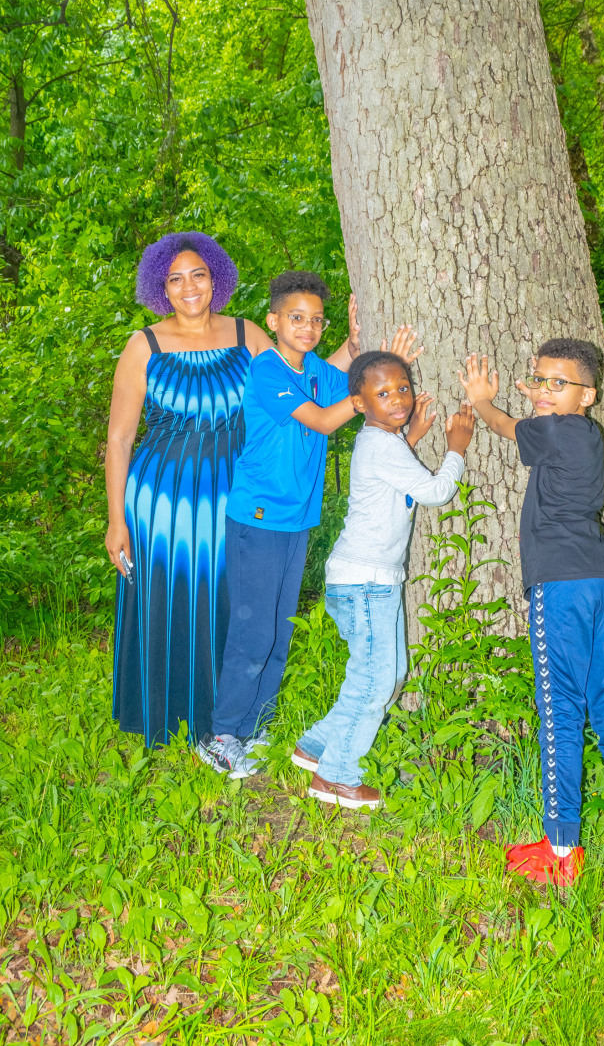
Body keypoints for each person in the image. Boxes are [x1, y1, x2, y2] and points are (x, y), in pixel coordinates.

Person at [105, 236, 359, 749]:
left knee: (239, 602)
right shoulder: (144, 345)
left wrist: (353, 348)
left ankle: (232, 719)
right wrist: (116, 520)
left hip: (239, 488)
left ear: (215, 277)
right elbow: (119, 438)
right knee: (173, 595)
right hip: (164, 500)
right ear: (162, 287)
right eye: (175, 278)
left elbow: (306, 375)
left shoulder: (247, 335)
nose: (189, 287)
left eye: (198, 274)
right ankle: (174, 714)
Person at [196, 274, 421, 778]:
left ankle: (252, 731)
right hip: (258, 518)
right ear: (273, 321)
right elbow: (321, 419)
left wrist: (361, 347)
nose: (308, 327)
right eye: (297, 318)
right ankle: (222, 733)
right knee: (253, 631)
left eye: (317, 319)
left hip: (296, 521)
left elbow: (343, 369)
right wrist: (369, 393)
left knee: (278, 631)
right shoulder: (266, 370)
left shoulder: (315, 368)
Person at [459, 339, 604, 884]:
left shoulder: (557, 429)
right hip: (601, 583)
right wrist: (545, 395)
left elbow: (505, 427)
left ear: (588, 394)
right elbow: (543, 413)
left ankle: (562, 852)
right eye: (539, 379)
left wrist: (482, 401)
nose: (544, 389)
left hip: (561, 588)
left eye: (558, 383)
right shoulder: (586, 434)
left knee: (560, 714)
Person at [290, 351, 475, 809]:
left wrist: (410, 437)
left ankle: (313, 748)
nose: (398, 398)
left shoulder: (382, 441)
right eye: (383, 392)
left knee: (384, 674)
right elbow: (434, 491)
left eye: (403, 388)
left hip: (370, 580)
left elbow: (394, 480)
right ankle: (336, 776)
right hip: (366, 582)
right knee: (375, 681)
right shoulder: (381, 444)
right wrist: (456, 446)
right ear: (359, 401)